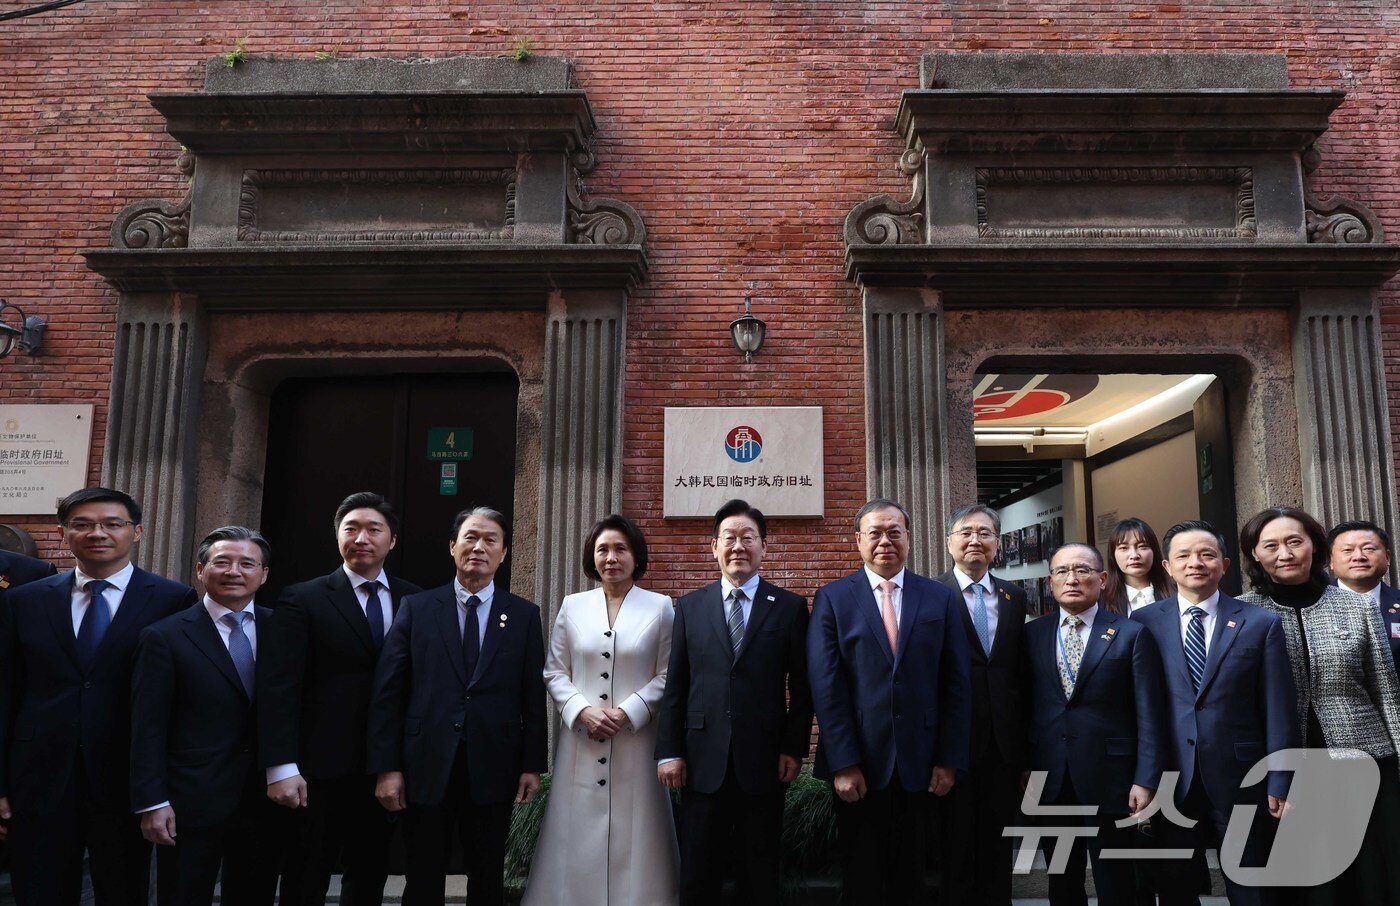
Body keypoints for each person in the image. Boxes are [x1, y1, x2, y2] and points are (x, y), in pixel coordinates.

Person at [0, 487, 197, 905]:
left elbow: (179, 700)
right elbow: (5, 693)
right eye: (83, 524)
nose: (98, 533)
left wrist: (164, 784)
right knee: (38, 890)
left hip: (126, 778)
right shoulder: (23, 601)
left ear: (137, 531)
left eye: (112, 523)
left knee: (123, 889)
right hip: (38, 776)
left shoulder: (172, 600)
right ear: (63, 532)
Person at [368, 506, 546, 906]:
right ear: (452, 546)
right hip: (425, 765)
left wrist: (532, 764)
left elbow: (531, 695)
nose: (478, 547)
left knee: (486, 876)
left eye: (490, 540)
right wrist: (387, 766)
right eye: (470, 538)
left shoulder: (522, 615)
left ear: (504, 553)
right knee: (423, 874)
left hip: (494, 766)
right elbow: (389, 692)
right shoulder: (418, 608)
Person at [260, 492, 422, 906]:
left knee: (369, 875)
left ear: (393, 540)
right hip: (316, 768)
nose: (362, 538)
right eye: (351, 528)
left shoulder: (415, 601)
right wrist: (280, 764)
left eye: (374, 529)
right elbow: (279, 685)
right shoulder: (303, 598)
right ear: (337, 537)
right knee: (306, 874)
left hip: (385, 766)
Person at [808, 498, 972, 904]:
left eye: (894, 531)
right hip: (859, 763)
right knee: (862, 875)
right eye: (875, 533)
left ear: (909, 539)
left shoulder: (939, 597)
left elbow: (956, 683)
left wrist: (949, 759)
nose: (885, 541)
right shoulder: (833, 598)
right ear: (859, 540)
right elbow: (826, 686)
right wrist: (843, 763)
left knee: (913, 876)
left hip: (923, 761)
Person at [1239, 506, 1400, 905]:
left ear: (1315, 546)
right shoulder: (1243, 612)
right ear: (1255, 554)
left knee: (1371, 870)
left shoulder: (1356, 606)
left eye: (1295, 541)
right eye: (1271, 545)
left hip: (1362, 757)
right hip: (1286, 764)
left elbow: (1386, 690)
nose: (1285, 553)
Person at [655, 499, 813, 904]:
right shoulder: (690, 606)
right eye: (730, 538)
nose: (738, 546)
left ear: (764, 547)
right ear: (714, 547)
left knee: (759, 870)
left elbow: (802, 686)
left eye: (748, 538)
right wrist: (668, 751)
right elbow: (677, 685)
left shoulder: (791, 607)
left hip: (763, 761)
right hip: (701, 759)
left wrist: (793, 747)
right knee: (698, 870)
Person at [1132, 520, 1297, 906]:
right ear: (1168, 568)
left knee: (1250, 882)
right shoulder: (1142, 625)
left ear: (1224, 565)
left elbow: (1278, 708)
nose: (1196, 563)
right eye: (1184, 556)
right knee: (1176, 887)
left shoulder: (1260, 623)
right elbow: (1140, 708)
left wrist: (1280, 780)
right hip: (1170, 774)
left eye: (1206, 555)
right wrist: (1142, 775)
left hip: (1242, 775)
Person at [525, 514, 679, 905]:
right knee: (574, 834)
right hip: (581, 741)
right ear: (591, 558)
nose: (611, 557)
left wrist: (629, 710)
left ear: (635, 556)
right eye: (603, 549)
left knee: (639, 832)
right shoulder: (572, 606)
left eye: (620, 549)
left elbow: (668, 674)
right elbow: (555, 671)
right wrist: (581, 710)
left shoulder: (661, 608)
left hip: (637, 743)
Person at [130, 526, 283, 905]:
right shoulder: (164, 636)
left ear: (263, 575)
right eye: (222, 562)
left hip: (265, 796)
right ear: (200, 570)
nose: (235, 571)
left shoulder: (284, 628)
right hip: (190, 799)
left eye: (247, 563)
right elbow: (147, 725)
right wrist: (152, 801)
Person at [1022, 542, 1167, 906]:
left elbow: (1149, 712)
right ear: (1050, 581)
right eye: (1062, 571)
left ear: (1102, 579)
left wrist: (1146, 779)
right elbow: (1023, 706)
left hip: (1113, 779)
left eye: (1083, 570)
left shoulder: (1131, 633)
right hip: (1050, 776)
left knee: (1117, 881)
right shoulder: (1031, 634)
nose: (1072, 579)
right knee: (1062, 881)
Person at [933, 502, 1026, 906]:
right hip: (952, 745)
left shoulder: (1014, 595)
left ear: (998, 543)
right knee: (954, 848)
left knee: (998, 844)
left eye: (985, 533)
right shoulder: (929, 594)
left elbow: (1016, 672)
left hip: (1003, 745)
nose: (975, 540)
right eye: (966, 532)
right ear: (949, 541)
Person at [1327, 519, 1400, 673]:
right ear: (1331, 561)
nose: (1359, 556)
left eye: (1369, 549)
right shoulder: (1313, 606)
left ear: (1387, 557)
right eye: (1347, 550)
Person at [1103, 518, 1175, 615]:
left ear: (1154, 551)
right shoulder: (1102, 601)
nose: (1134, 555)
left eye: (1142, 546)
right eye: (1124, 548)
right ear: (1113, 554)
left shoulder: (1177, 595)